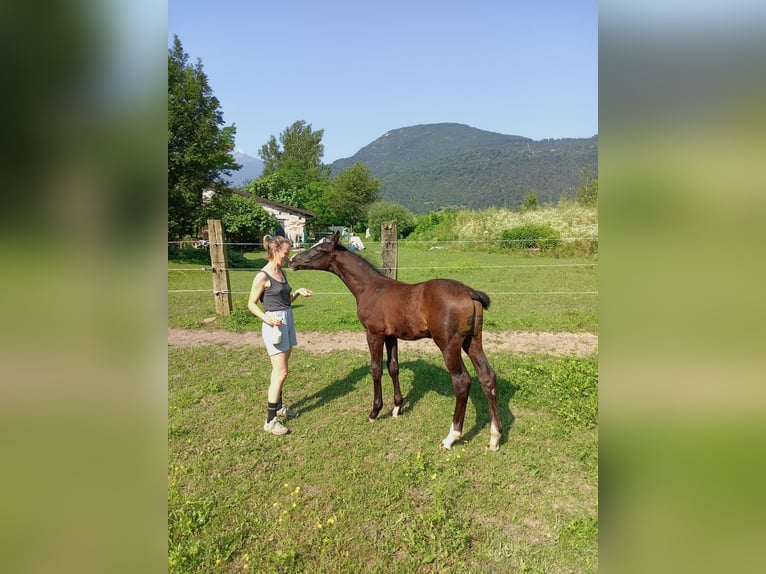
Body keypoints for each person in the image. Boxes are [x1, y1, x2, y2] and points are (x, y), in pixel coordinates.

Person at [248, 235, 314, 436]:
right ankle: (270, 420)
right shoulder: (262, 276)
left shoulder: (282, 273)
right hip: (274, 325)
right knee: (281, 372)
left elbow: (286, 301)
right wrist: (266, 319)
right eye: (286, 253)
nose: (288, 256)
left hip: (287, 319)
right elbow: (251, 304)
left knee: (280, 370)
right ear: (275, 251)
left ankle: (279, 406)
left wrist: (298, 293)